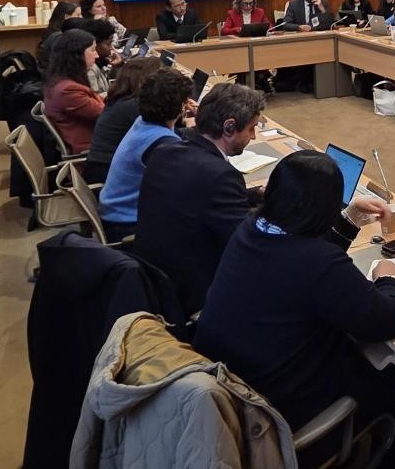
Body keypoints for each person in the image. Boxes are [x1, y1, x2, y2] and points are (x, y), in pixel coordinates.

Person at [194, 150, 395, 469]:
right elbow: (384, 319)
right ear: (321, 210)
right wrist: (389, 279)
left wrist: (348, 221)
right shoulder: (316, 263)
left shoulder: (252, 227)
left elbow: (306, 264)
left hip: (235, 385)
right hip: (279, 415)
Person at [133, 83, 267, 314]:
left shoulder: (165, 152)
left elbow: (198, 196)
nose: (253, 136)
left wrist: (254, 194)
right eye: (251, 128)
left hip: (152, 280)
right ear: (229, 127)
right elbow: (246, 245)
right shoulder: (221, 175)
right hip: (195, 294)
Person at [97, 67, 193, 242]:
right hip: (127, 226)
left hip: (115, 212)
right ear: (181, 107)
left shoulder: (143, 122)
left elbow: (177, 136)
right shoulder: (163, 144)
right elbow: (186, 189)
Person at [83, 56, 160, 185]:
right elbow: (164, 134)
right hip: (108, 173)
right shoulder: (133, 106)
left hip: (101, 167)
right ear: (143, 81)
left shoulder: (120, 99)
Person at [42, 29, 105, 153]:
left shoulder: (62, 81)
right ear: (77, 54)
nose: (97, 55)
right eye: (92, 50)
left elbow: (96, 103)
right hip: (92, 149)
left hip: (95, 141)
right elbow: (105, 115)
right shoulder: (68, 90)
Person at [37, 0, 82, 67]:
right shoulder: (58, 36)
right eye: (78, 15)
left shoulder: (56, 31)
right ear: (66, 17)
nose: (81, 17)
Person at [82, 19, 118, 96]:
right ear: (94, 44)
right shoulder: (90, 68)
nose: (111, 48)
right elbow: (95, 97)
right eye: (108, 44)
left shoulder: (101, 61)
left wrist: (117, 66)